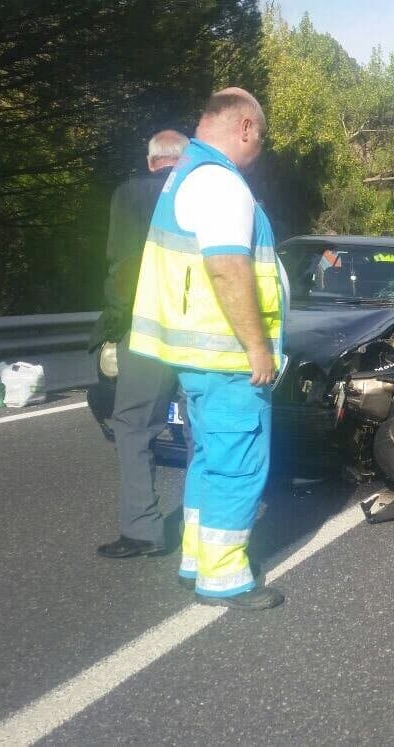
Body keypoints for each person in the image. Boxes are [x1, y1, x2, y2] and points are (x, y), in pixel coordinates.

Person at [130, 88, 286, 610]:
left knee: (209, 458)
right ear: (244, 127)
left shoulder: (186, 174)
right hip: (228, 358)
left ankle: (196, 558)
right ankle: (223, 577)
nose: (257, 150)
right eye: (259, 138)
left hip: (198, 357)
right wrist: (257, 349)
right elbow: (227, 267)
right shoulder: (221, 183)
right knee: (237, 464)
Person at [94, 130, 191, 560]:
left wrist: (115, 322)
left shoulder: (130, 194)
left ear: (152, 161)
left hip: (146, 327)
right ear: (183, 161)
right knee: (200, 430)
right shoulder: (206, 194)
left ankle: (144, 530)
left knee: (134, 427)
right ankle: (201, 527)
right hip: (200, 331)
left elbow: (122, 261)